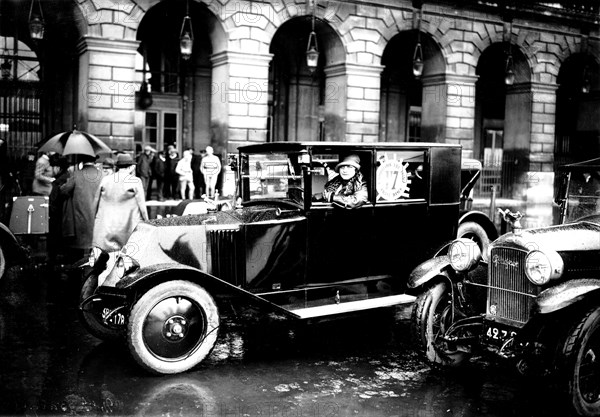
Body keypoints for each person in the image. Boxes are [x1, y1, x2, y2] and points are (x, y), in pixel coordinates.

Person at [92, 153, 149, 252]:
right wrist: (147, 222)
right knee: (126, 257)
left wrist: (94, 219)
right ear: (130, 167)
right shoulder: (135, 181)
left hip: (106, 226)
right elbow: (142, 207)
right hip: (128, 226)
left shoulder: (105, 180)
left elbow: (95, 202)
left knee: (105, 258)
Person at [59, 155, 103, 259]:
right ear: (94, 161)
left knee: (78, 249)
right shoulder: (102, 175)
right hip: (97, 215)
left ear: (82, 161)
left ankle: (79, 268)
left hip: (80, 216)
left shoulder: (77, 174)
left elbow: (64, 191)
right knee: (96, 245)